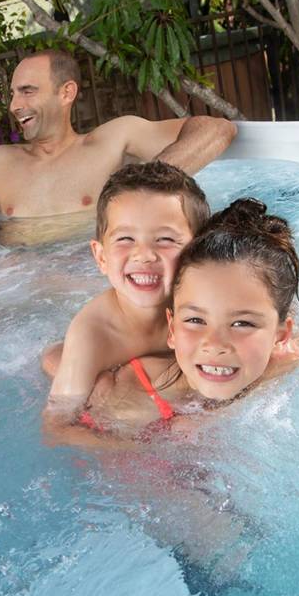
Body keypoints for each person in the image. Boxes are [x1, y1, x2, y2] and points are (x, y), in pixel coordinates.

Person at [45, 197, 299, 441]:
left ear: (281, 335)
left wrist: (210, 418)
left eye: (242, 324)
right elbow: (61, 436)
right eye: (195, 320)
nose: (214, 344)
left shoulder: (285, 358)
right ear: (172, 329)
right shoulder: (129, 401)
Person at [0, 49, 236, 242]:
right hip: (23, 293)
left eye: (28, 92)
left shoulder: (112, 140)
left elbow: (217, 129)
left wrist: (145, 185)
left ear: (67, 93)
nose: (15, 106)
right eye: (13, 95)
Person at [44, 161, 211, 414]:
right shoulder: (93, 334)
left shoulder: (211, 300)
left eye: (165, 239)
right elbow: (58, 426)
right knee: (67, 367)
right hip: (88, 355)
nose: (144, 255)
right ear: (101, 257)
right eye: (125, 239)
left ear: (199, 251)